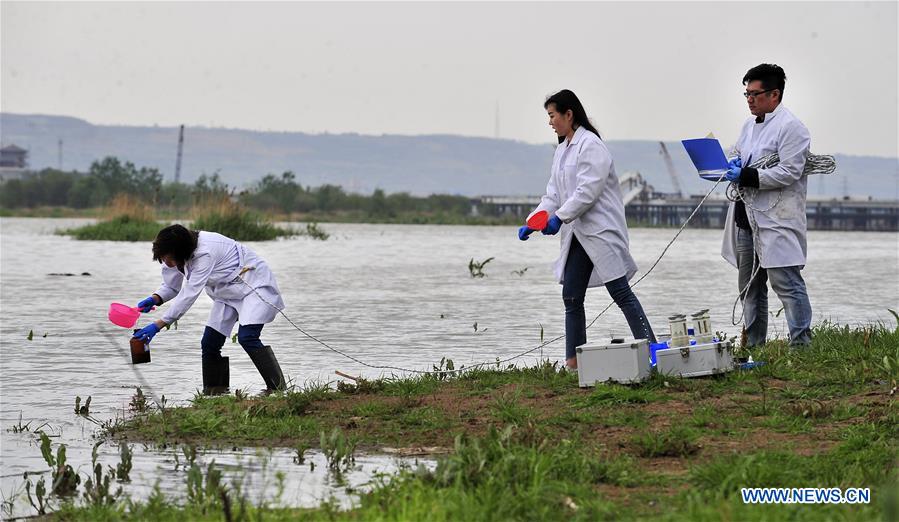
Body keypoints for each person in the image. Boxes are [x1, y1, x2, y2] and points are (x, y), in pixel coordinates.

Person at [519, 89, 655, 369]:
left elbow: (586, 192)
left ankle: (653, 351)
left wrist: (560, 218)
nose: (550, 122)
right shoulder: (562, 149)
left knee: (620, 291)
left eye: (552, 115)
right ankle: (573, 362)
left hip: (600, 231)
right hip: (578, 233)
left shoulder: (591, 145)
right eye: (548, 116)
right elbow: (553, 194)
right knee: (571, 295)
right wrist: (535, 220)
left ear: (569, 114)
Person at [721, 63, 813, 347]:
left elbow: (789, 171)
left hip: (776, 217)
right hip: (746, 218)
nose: (749, 99)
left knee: (786, 282)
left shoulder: (792, 128)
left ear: (775, 95)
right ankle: (753, 347)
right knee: (749, 286)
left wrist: (747, 175)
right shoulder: (748, 126)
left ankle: (801, 346)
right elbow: (740, 151)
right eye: (746, 94)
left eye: (755, 94)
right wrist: (733, 162)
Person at [132, 224, 287, 393]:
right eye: (162, 258)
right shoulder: (173, 255)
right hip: (227, 293)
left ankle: (278, 390)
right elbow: (171, 286)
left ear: (181, 252)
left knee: (247, 337)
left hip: (253, 286)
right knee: (209, 344)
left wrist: (159, 324)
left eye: (168, 259)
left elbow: (189, 294)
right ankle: (215, 394)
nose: (166, 263)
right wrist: (155, 298)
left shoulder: (204, 252)